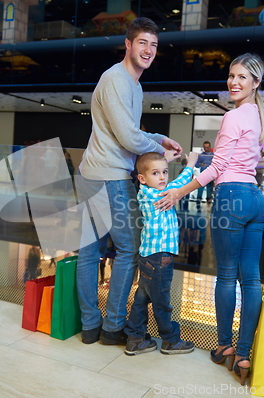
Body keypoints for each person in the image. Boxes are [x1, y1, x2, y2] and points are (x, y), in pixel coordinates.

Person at [155, 53, 264, 385]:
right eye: (231, 75)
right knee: (251, 280)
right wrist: (254, 167)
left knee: (227, 278)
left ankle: (225, 347)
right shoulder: (259, 117)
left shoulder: (234, 116)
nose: (233, 82)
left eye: (242, 77)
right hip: (256, 201)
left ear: (256, 83)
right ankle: (244, 355)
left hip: (231, 199)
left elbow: (216, 169)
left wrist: (178, 192)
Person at [75, 17, 183, 346]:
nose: (148, 50)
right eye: (142, 43)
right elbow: (126, 138)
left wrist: (158, 138)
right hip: (109, 176)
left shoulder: (132, 85)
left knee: (89, 252)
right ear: (128, 44)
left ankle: (90, 327)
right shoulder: (118, 79)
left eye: (153, 45)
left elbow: (131, 133)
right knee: (129, 250)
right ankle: (112, 328)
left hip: (90, 173)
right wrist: (156, 148)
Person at [124, 151, 198, 355]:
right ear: (142, 178)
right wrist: (191, 163)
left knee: (142, 299)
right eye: (156, 173)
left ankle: (135, 338)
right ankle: (170, 340)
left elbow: (153, 172)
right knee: (162, 302)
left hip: (148, 256)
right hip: (159, 259)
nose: (163, 177)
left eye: (165, 172)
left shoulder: (143, 191)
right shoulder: (162, 193)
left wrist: (165, 162)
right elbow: (183, 182)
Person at [196, 141, 214, 206]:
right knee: (200, 192)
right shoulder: (201, 155)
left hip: (210, 177)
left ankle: (208, 209)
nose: (206, 149)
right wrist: (201, 164)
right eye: (205, 147)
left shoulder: (213, 155)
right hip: (202, 176)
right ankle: (198, 207)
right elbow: (196, 165)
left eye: (207, 147)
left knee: (209, 193)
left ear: (210, 147)